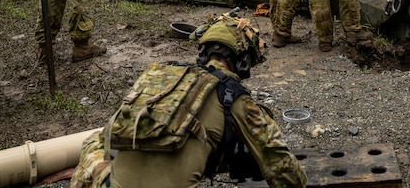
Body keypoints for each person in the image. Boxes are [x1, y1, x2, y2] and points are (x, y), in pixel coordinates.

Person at [70, 14, 308, 188]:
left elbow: (111, 134)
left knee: (93, 142)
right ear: (243, 62)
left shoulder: (162, 77)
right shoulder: (236, 98)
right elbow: (284, 169)